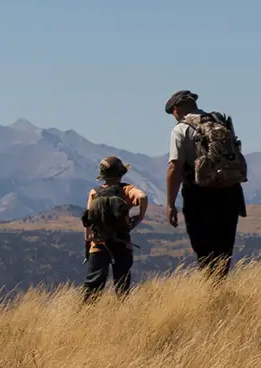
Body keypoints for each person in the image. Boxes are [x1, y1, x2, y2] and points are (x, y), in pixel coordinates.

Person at [164, 90, 248, 278]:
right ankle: (220, 285)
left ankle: (210, 289)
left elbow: (174, 167)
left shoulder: (181, 129)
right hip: (230, 192)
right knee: (224, 247)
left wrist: (170, 203)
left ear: (175, 109)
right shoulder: (220, 121)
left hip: (199, 194)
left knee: (203, 248)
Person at [81, 156, 147, 299]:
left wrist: (88, 244)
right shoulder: (126, 190)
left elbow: (88, 222)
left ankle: (84, 316)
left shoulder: (94, 192)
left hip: (98, 243)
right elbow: (142, 196)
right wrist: (139, 217)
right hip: (122, 243)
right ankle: (122, 315)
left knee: (92, 286)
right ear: (121, 173)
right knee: (122, 286)